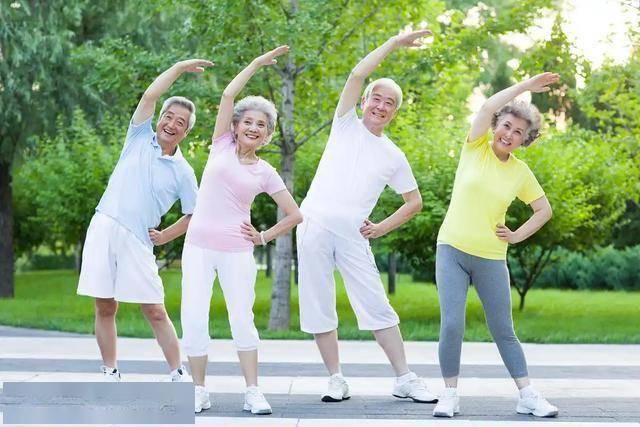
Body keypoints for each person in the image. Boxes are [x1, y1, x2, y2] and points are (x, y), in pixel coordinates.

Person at [296, 30, 437, 404]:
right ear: (363, 102)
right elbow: (357, 74)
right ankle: (335, 379)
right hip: (313, 225)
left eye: (390, 103)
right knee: (319, 303)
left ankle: (404, 378)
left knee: (376, 304)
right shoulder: (344, 124)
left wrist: (380, 227)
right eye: (377, 98)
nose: (381, 106)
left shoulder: (393, 155)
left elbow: (414, 202)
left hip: (353, 236)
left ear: (395, 112)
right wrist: (393, 44)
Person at [180, 45, 302, 415]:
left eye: (261, 125)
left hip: (236, 251)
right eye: (248, 122)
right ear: (235, 126)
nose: (253, 128)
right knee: (194, 319)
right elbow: (228, 94)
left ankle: (253, 391)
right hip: (198, 247)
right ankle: (198, 390)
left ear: (267, 136)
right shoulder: (220, 146)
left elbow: (295, 215)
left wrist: (263, 236)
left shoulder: (265, 171)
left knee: (242, 321)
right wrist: (257, 63)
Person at [432, 72, 560, 418]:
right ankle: (449, 394)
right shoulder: (475, 147)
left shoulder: (520, 172)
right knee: (452, 324)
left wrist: (516, 235)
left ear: (524, 140)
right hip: (452, 250)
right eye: (506, 126)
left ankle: (527, 395)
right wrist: (526, 86)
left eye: (518, 132)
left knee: (503, 329)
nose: (509, 134)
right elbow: (488, 105)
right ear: (495, 125)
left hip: (491, 257)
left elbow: (543, 210)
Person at [77, 59, 213, 382]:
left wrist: (165, 236)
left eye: (180, 122)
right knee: (105, 306)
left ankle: (177, 372)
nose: (171, 124)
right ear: (160, 118)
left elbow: (194, 215)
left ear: (186, 132)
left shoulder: (184, 172)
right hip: (104, 225)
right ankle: (110, 370)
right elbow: (151, 94)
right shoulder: (138, 136)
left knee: (154, 309)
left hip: (138, 239)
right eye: (168, 116)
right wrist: (179, 68)